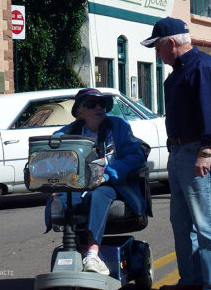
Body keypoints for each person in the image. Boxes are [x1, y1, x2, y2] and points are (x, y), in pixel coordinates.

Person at [141, 17, 211, 290]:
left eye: (157, 46)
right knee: (182, 225)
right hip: (179, 152)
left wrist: (205, 151)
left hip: (197, 152)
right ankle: (191, 281)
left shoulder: (204, 67)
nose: (156, 52)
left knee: (207, 227)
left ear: (170, 43)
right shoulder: (179, 71)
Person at [47, 88, 146, 275]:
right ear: (80, 112)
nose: (99, 108)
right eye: (91, 104)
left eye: (102, 104)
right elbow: (52, 149)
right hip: (79, 185)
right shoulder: (69, 132)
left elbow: (135, 155)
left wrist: (109, 174)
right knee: (67, 198)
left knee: (98, 194)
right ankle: (79, 249)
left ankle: (92, 254)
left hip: (112, 183)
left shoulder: (118, 126)